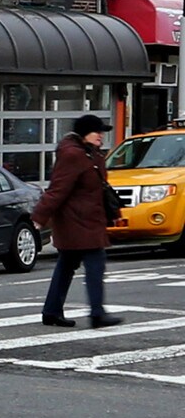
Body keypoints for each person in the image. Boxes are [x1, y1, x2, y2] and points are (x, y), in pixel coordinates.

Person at [34, 113, 124, 329]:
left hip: (84, 220)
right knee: (95, 264)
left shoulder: (87, 153)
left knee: (66, 265)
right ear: (85, 133)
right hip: (79, 222)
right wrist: (39, 217)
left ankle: (52, 311)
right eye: (97, 132)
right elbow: (57, 189)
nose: (101, 136)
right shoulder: (73, 155)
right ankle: (96, 313)